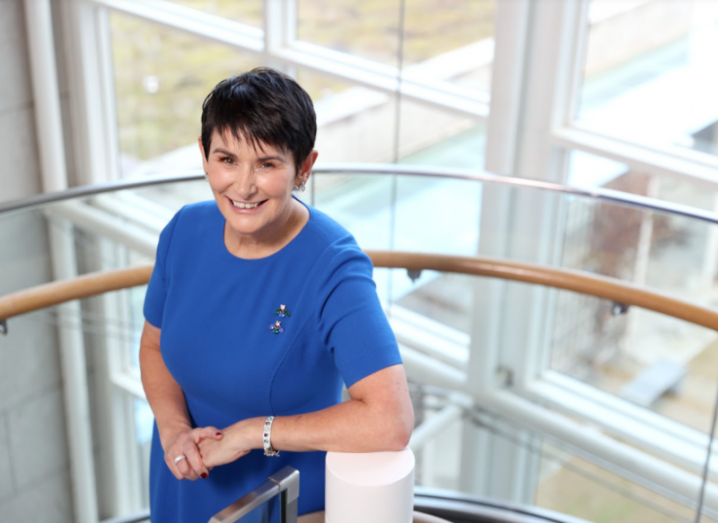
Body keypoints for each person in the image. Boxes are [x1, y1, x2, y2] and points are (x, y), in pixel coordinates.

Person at [139, 67, 415, 523]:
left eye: (266, 164)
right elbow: (153, 345)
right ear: (204, 155)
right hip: (183, 476)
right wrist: (174, 431)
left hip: (278, 499)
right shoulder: (184, 231)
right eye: (227, 159)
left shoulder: (333, 266)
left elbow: (391, 420)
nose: (243, 186)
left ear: (303, 167)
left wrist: (253, 433)